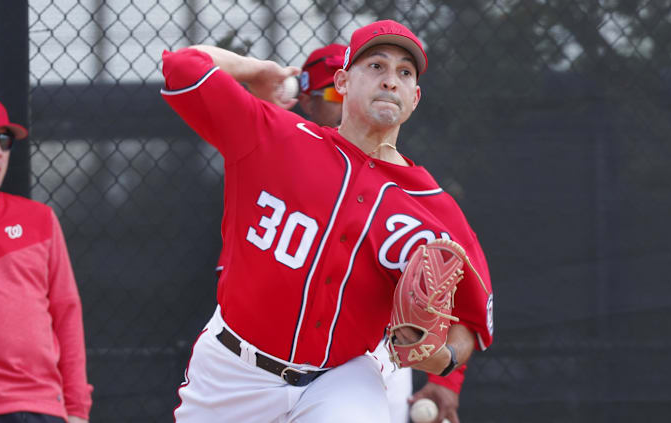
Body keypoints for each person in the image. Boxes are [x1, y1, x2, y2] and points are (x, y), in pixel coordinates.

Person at [161, 19, 494, 423]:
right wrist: (256, 69)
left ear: (415, 97)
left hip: (341, 378)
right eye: (376, 66)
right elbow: (182, 66)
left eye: (404, 73)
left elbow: (473, 318)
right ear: (343, 81)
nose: (391, 81)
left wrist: (443, 360)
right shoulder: (274, 137)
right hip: (232, 370)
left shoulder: (432, 209)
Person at [296, 43, 470, 423]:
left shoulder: (417, 195)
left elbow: (465, 304)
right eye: (329, 92)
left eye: (400, 73)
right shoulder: (283, 168)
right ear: (307, 102)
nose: (386, 84)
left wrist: (447, 376)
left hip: (372, 361)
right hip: (262, 361)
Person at [0, 95, 92, 423]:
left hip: (41, 406)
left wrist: (76, 410)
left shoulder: (40, 219)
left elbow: (67, 314)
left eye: (4, 142)